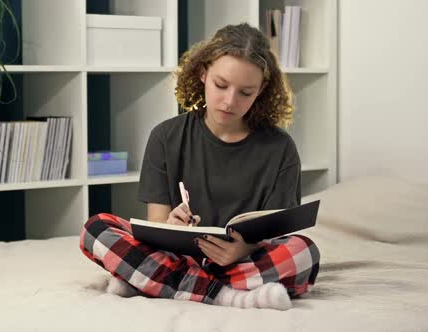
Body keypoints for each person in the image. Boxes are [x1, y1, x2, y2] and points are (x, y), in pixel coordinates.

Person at [79, 23, 320, 310]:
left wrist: (244, 248)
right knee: (96, 229)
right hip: (175, 256)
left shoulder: (281, 148)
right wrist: (170, 225)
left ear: (261, 90)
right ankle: (226, 296)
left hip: (241, 260)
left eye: (245, 92)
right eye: (221, 85)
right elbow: (155, 224)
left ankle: (153, 283)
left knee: (304, 253)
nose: (230, 101)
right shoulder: (165, 137)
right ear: (203, 72)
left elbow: (277, 234)